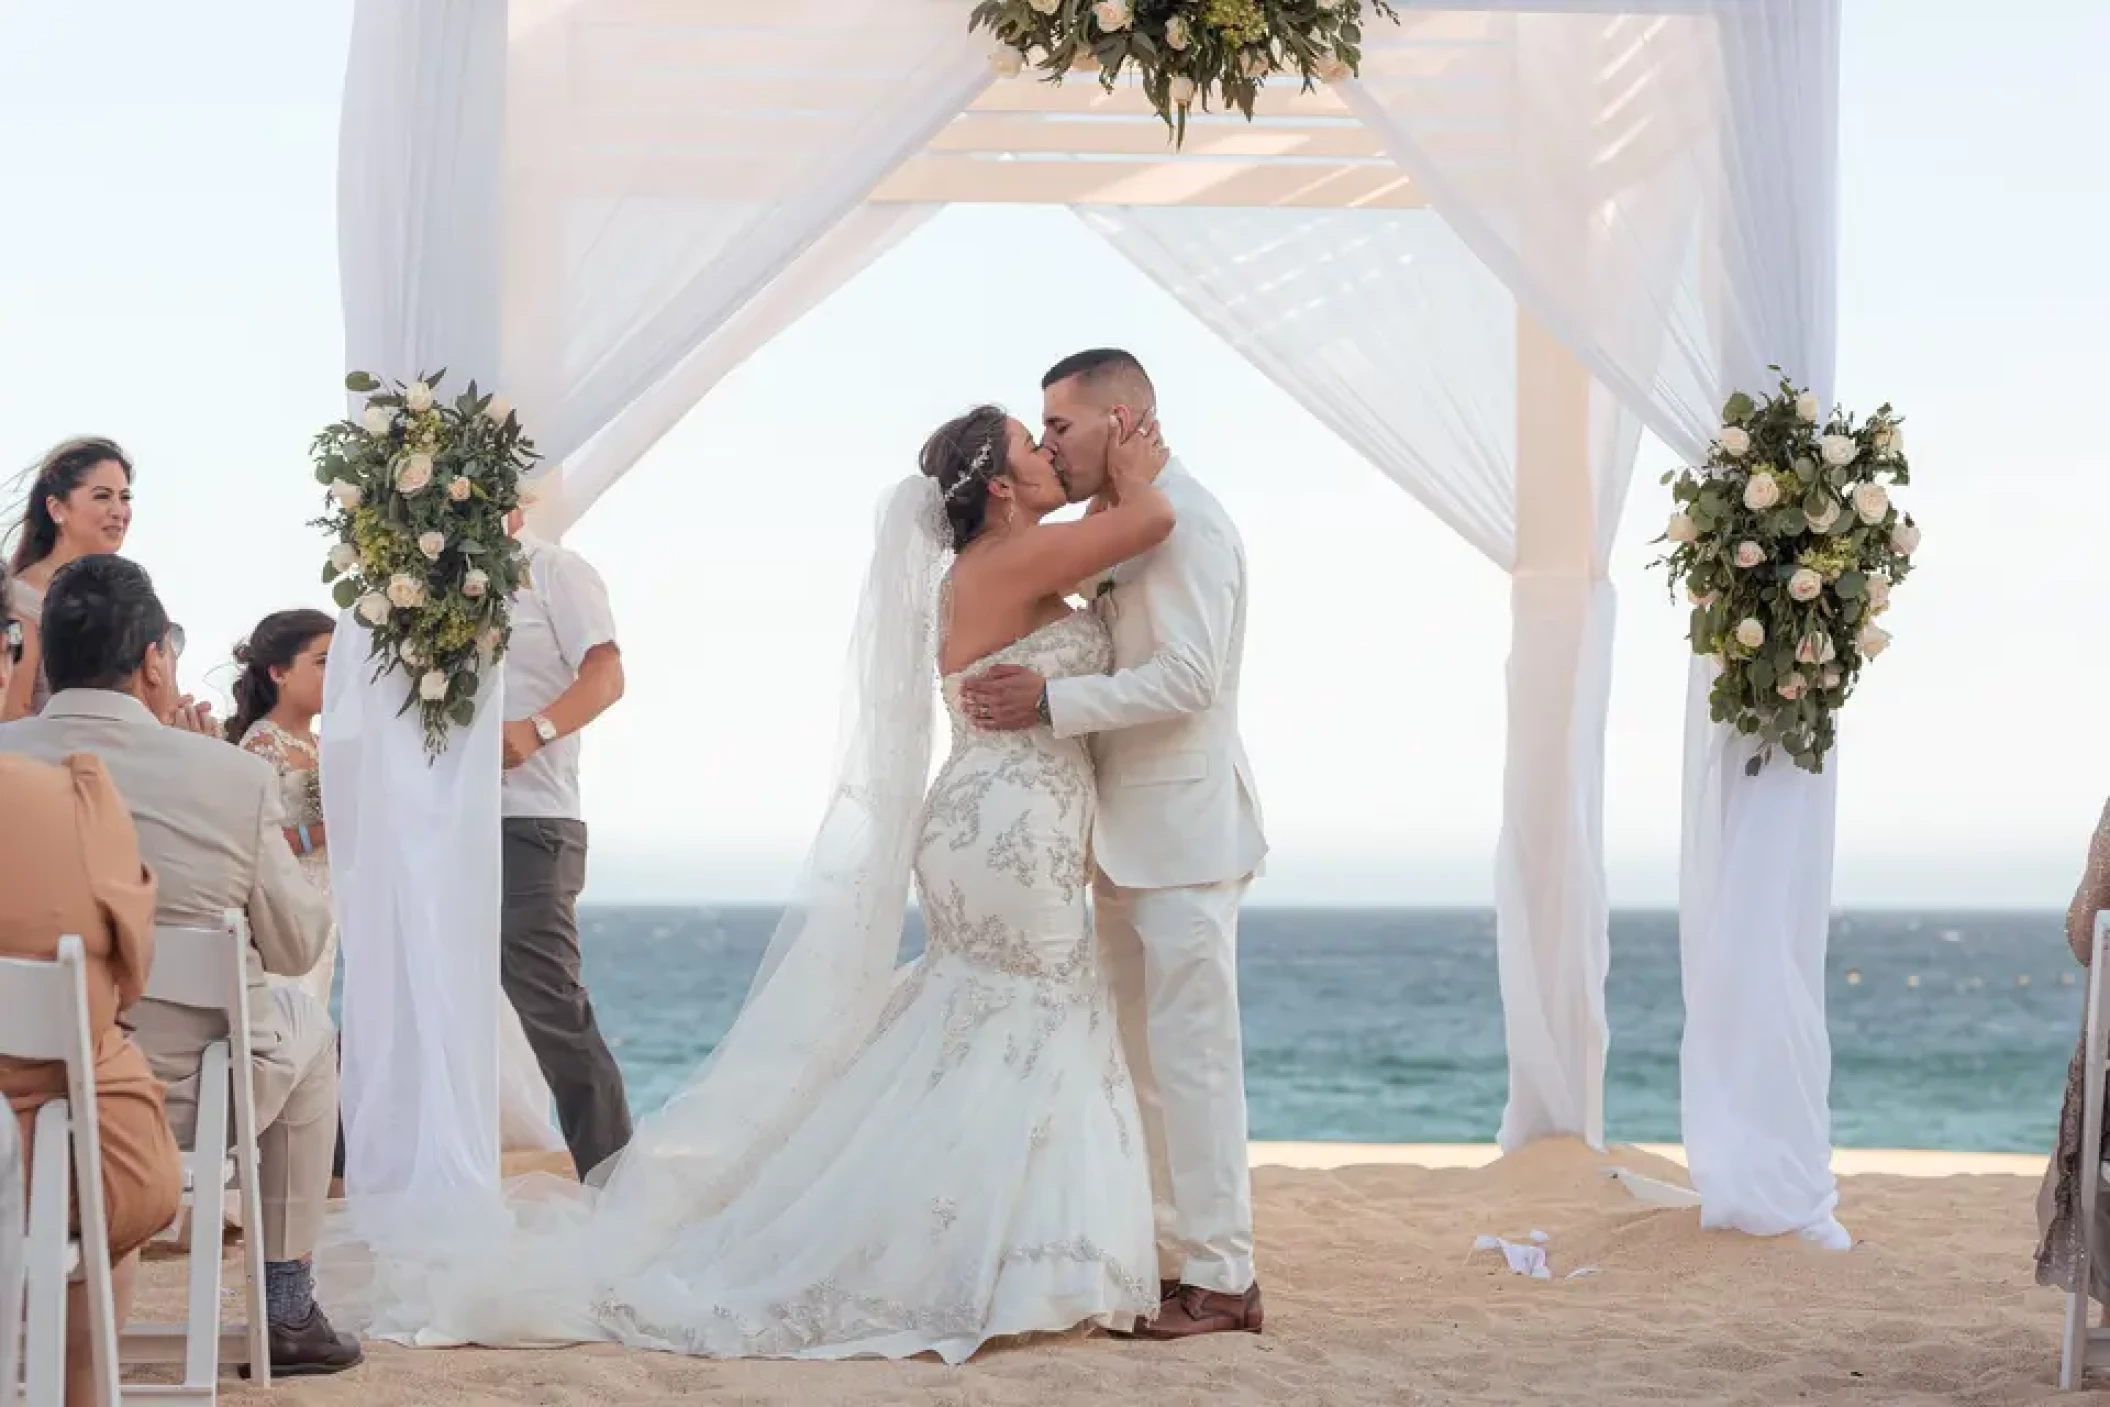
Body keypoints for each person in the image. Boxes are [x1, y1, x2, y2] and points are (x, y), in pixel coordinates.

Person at [321, 404, 1176, 1363]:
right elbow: (1149, 526)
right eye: (1034, 442)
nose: (1050, 451)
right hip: (1008, 823)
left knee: (992, 1014)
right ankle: (1015, 1257)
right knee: (1021, 1005)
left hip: (1013, 816)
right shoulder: (1008, 563)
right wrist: (1134, 468)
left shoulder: (1001, 568)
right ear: (1005, 488)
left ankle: (1018, 1247)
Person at [961, 348, 1269, 1339]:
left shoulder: (1193, 523)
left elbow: (1189, 679)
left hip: (1183, 834)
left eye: (1059, 425)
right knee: (1139, 1064)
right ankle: (1169, 1261)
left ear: (1121, 417)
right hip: (1113, 838)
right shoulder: (1118, 523)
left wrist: (1051, 700)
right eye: (1041, 431)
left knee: (1196, 1064)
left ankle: (1225, 1278)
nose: (1048, 441)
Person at [0, 555, 362, 1377]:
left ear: (45, 658)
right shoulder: (229, 774)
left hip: (15, 1081)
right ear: (156, 659)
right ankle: (286, 1302)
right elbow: (301, 944)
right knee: (311, 1029)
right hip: (188, 1095)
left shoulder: (7, 756)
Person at [0, 557, 182, 1407]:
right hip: (53, 1159)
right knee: (95, 1144)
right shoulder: (74, 795)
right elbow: (125, 982)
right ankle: (83, 1392)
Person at [497, 508, 632, 1177]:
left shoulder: (554, 570)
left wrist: (538, 728)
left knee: (551, 1009)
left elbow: (607, 673)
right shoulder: (421, 590)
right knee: (408, 996)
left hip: (531, 820)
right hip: (443, 829)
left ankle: (615, 1184)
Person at [226, 610, 338, 1009]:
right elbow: (252, 843)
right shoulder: (259, 748)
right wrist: (323, 832)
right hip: (286, 913)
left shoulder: (325, 745)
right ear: (279, 672)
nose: (337, 673)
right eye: (324, 662)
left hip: (331, 907)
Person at [2, 437, 135, 721]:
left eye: (124, 497)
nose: (118, 511)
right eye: (102, 496)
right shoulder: (20, 604)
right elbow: (11, 717)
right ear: (57, 509)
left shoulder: (130, 595)